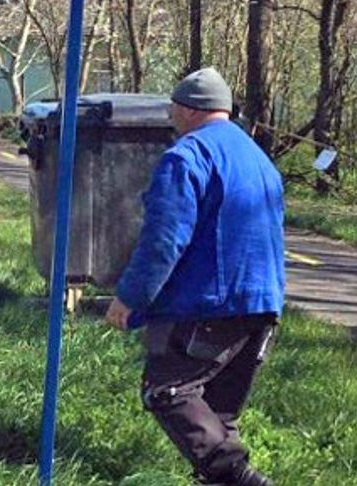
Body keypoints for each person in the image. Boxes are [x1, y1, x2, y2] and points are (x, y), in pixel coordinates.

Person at [105, 67, 285, 486]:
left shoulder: (187, 156)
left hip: (213, 303)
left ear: (189, 109)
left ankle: (244, 479)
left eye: (172, 107)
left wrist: (130, 297)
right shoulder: (259, 159)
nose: (170, 115)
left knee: (168, 390)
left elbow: (164, 240)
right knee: (217, 416)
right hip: (264, 304)